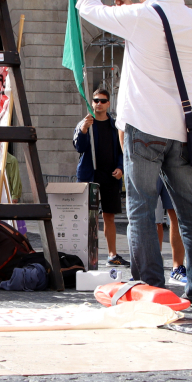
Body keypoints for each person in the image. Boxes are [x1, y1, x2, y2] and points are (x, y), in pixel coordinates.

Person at [76, 0, 192, 307]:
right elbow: (156, 26)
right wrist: (136, 8)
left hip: (144, 129)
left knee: (140, 207)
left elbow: (86, 7)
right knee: (190, 210)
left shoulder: (139, 17)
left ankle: (152, 286)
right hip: (182, 130)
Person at [73, 87, 127, 266]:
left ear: (108, 103)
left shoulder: (115, 126)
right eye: (96, 100)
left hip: (110, 176)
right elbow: (79, 147)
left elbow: (122, 150)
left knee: (109, 216)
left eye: (103, 101)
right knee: (89, 217)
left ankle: (112, 254)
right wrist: (84, 130)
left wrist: (121, 167)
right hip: (90, 174)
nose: (99, 104)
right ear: (92, 103)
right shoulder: (85, 123)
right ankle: (86, 254)